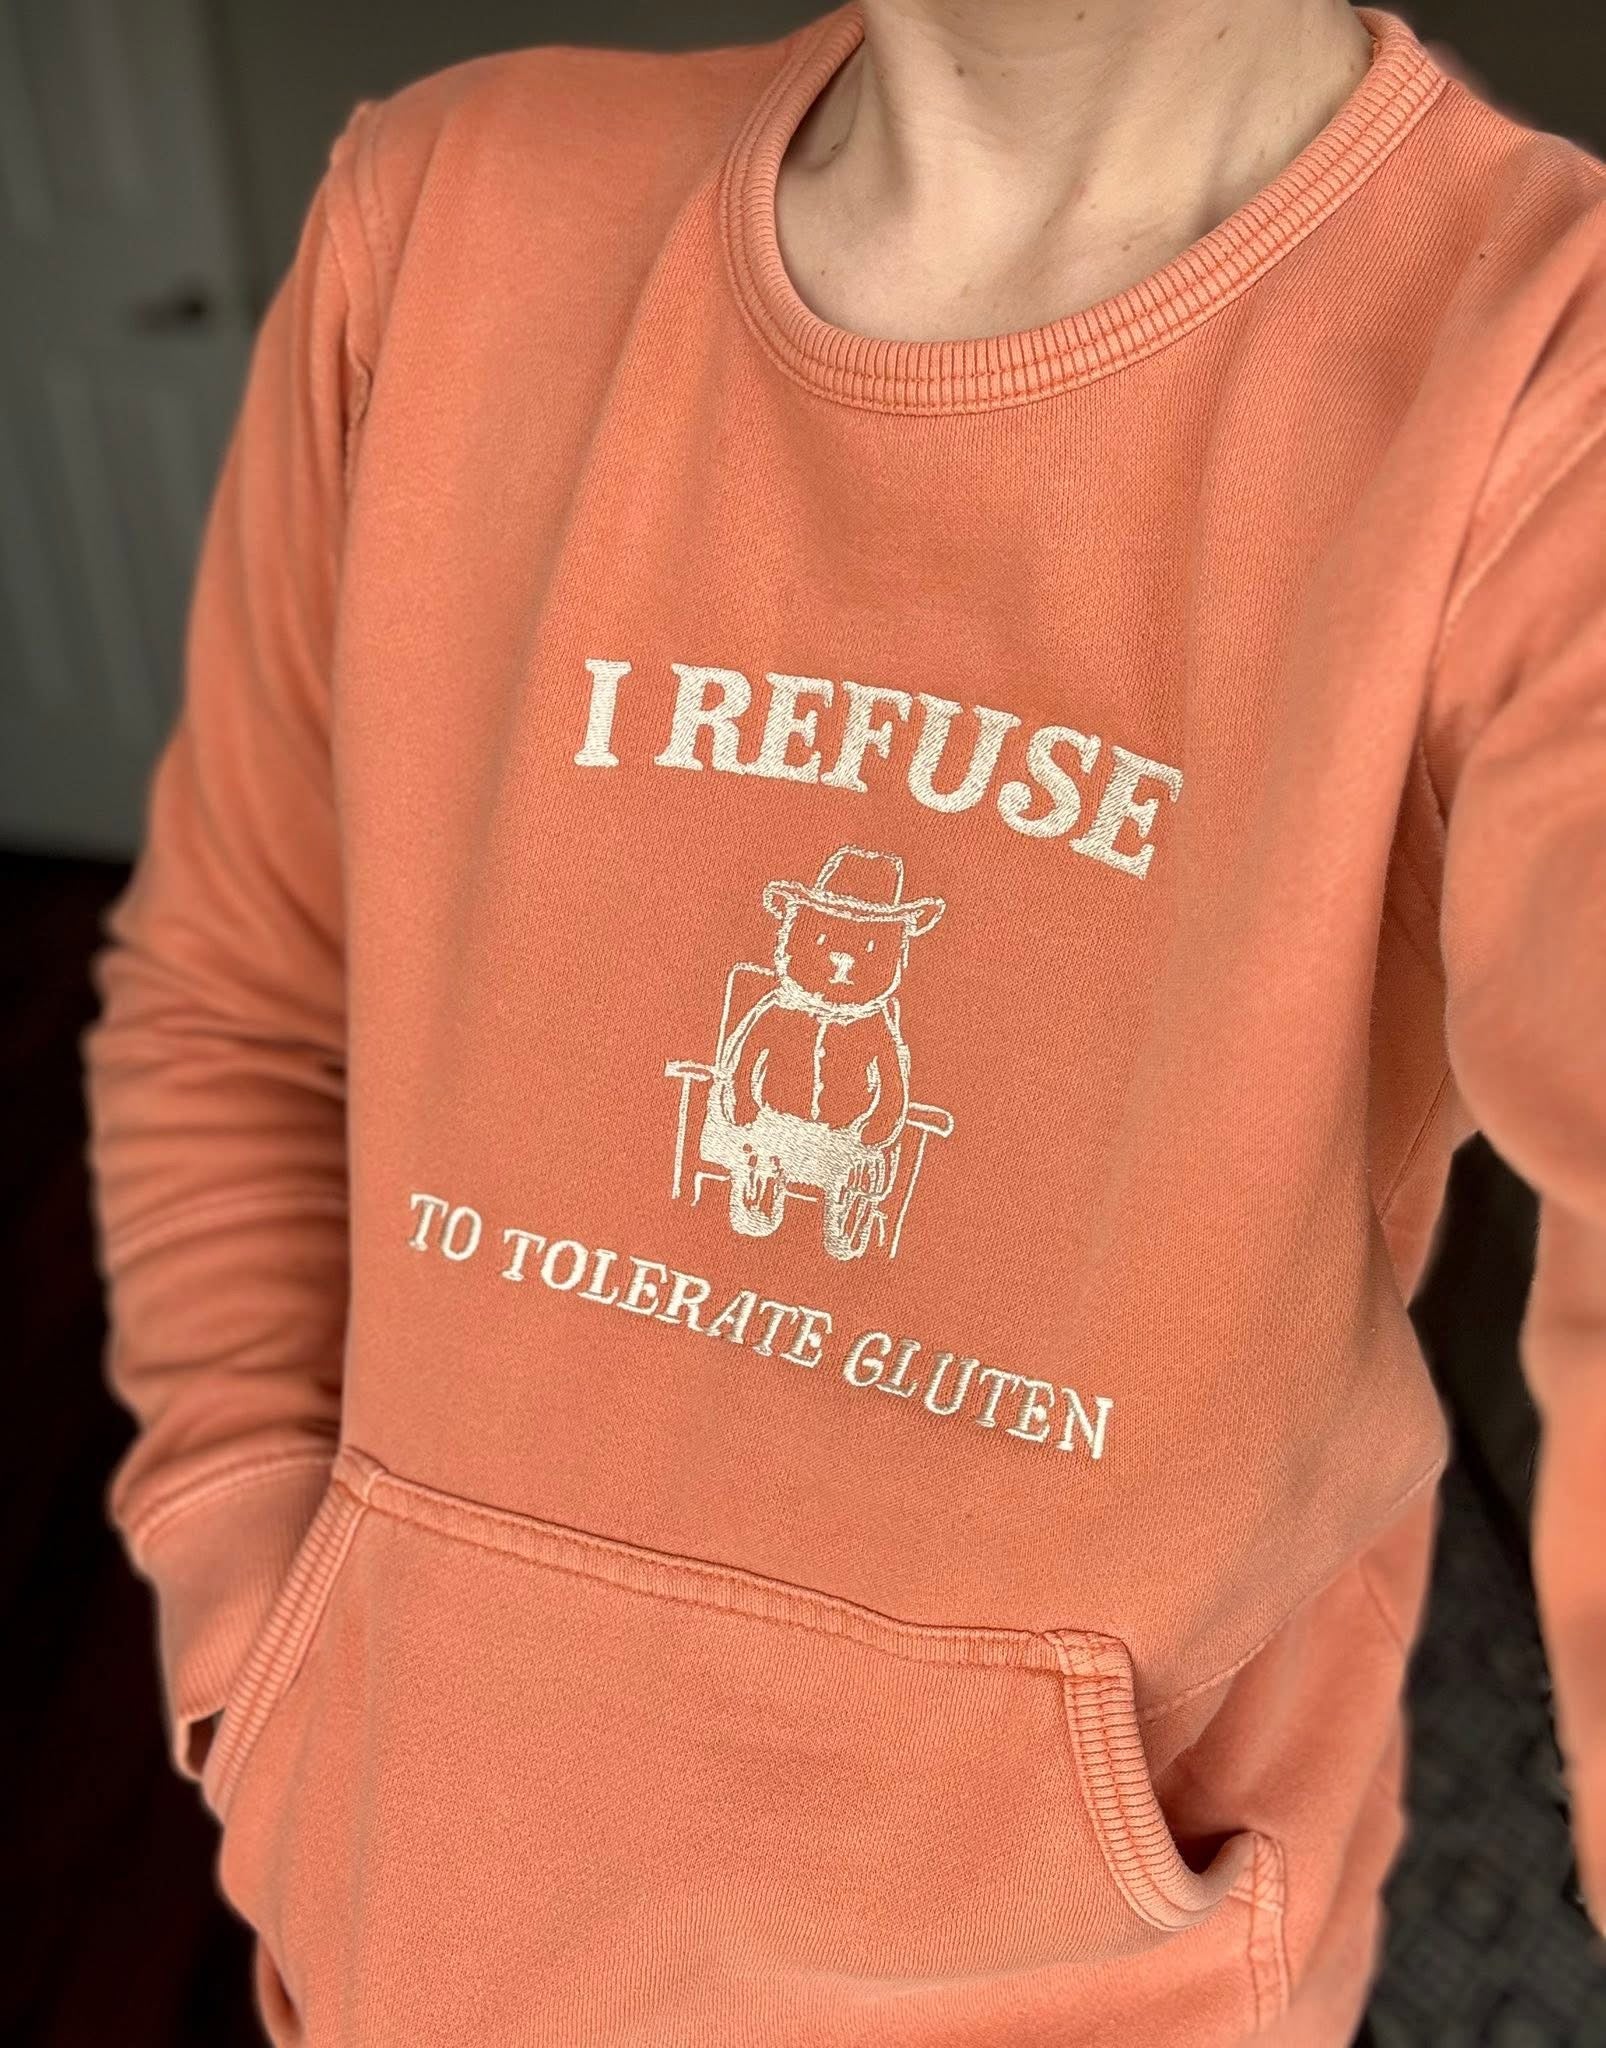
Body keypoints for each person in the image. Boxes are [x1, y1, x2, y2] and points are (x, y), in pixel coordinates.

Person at [79, 2, 1606, 2043]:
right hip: (399, 1947)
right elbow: (241, 1000)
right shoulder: (445, 212)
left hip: (1080, 2002)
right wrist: (259, 1617)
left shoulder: (1545, 373)